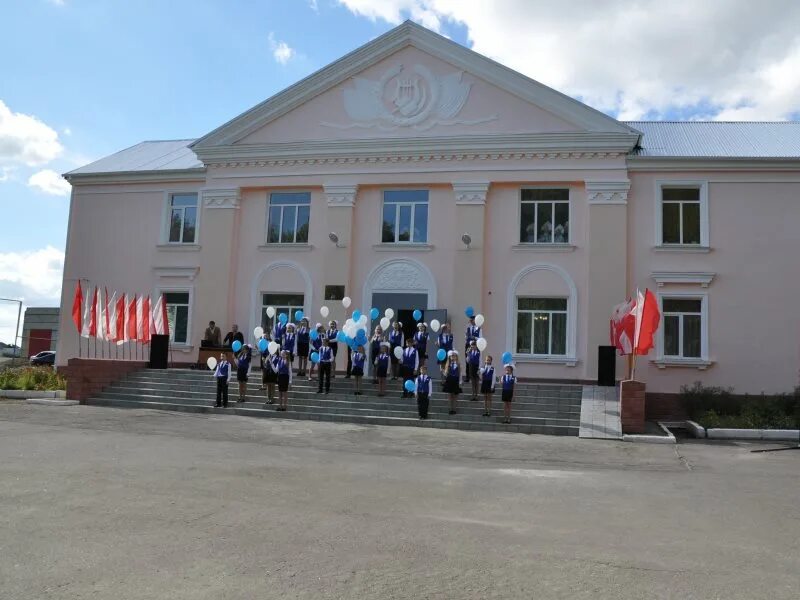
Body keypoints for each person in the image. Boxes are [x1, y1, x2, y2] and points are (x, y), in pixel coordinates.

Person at [464, 316, 481, 382]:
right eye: (471, 320)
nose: (471, 321)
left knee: (476, 361)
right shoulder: (468, 328)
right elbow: (466, 337)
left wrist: (474, 338)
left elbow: (480, 338)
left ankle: (476, 376)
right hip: (468, 345)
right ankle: (468, 376)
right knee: (468, 360)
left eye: (473, 320)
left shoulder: (479, 329)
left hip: (476, 346)